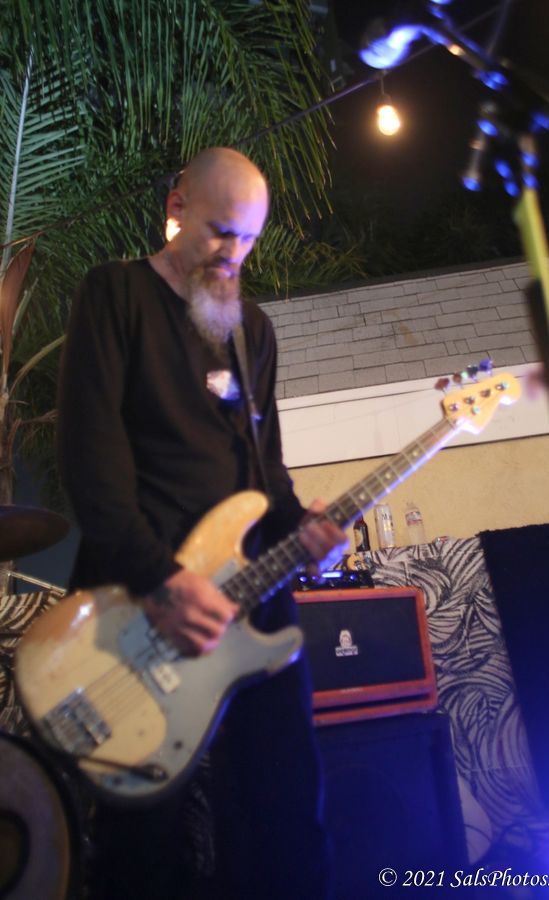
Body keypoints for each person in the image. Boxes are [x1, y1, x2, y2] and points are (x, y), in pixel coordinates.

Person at [57, 147, 347, 899]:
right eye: (221, 232)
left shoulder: (253, 331)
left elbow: (267, 478)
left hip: (252, 599)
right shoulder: (115, 294)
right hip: (138, 602)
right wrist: (160, 580)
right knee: (143, 840)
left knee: (286, 811)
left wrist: (309, 529)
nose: (234, 254)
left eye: (249, 238)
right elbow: (90, 466)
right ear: (177, 207)